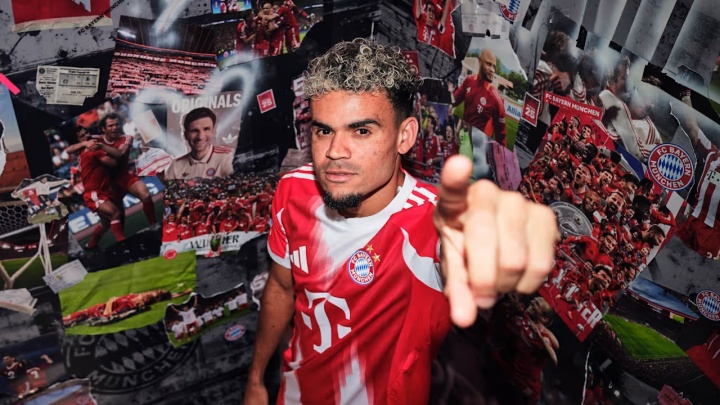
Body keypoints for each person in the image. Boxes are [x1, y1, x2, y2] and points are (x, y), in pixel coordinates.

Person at [244, 39, 557, 404]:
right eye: (324, 130)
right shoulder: (293, 190)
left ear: (404, 137)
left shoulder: (433, 222)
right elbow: (282, 288)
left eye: (361, 131)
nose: (334, 151)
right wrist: (257, 379)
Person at [94, 113, 157, 226]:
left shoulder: (126, 138)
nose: (115, 127)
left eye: (116, 124)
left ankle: (154, 224)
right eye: (111, 125)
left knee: (146, 195)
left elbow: (121, 153)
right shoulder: (95, 139)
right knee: (113, 220)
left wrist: (101, 147)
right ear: (103, 129)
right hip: (107, 183)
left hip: (125, 176)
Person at [450, 49, 507, 146]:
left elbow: (501, 139)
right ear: (479, 61)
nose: (492, 70)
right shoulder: (469, 81)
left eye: (494, 66)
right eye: (488, 64)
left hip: (479, 147)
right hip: (462, 139)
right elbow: (454, 102)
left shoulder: (496, 100)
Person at [165, 108, 235, 180]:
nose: (200, 137)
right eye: (195, 131)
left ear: (213, 132)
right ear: (185, 135)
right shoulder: (176, 165)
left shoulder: (228, 157)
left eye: (206, 129)